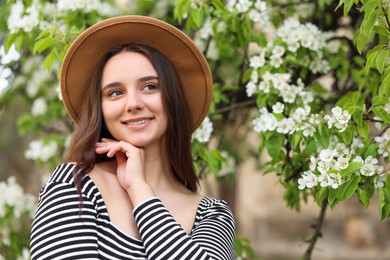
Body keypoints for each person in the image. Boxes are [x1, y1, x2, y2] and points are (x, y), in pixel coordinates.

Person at [29, 15, 235, 259]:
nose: (133, 103)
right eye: (115, 92)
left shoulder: (212, 214)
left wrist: (140, 191)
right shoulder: (75, 185)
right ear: (101, 110)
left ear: (173, 97)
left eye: (149, 86)